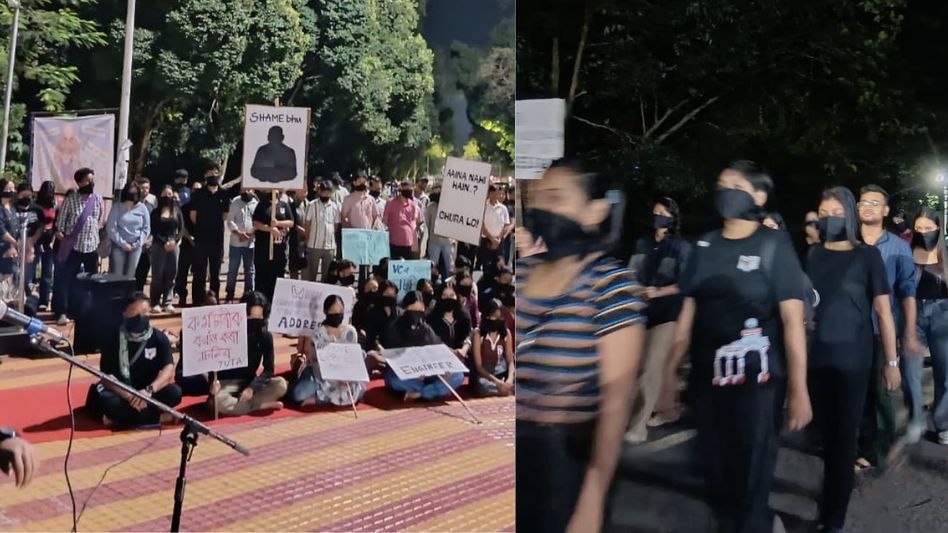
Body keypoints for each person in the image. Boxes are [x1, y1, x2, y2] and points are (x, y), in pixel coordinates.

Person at [657, 160, 811, 533]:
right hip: (708, 386)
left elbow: (793, 323)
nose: (725, 190)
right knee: (715, 474)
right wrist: (666, 377)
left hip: (758, 390)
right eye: (721, 183)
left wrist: (799, 389)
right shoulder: (702, 247)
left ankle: (757, 523)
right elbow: (686, 320)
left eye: (736, 185)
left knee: (751, 479)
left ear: (758, 196)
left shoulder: (774, 246)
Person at [516, 159, 645, 533]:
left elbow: (617, 401)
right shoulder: (522, 272)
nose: (542, 210)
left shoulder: (612, 286)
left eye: (555, 198)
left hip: (565, 465)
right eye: (536, 199)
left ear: (595, 212)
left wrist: (592, 499)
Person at [808, 187, 899, 532]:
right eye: (822, 211)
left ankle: (833, 518)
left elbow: (884, 312)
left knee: (843, 441)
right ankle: (832, 492)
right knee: (824, 437)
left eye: (835, 212)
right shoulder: (813, 255)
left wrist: (891, 363)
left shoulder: (867, 257)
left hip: (853, 362)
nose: (827, 217)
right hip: (817, 359)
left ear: (847, 216)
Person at [856, 184, 920, 468]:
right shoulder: (846, 242)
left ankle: (880, 452)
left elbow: (907, 292)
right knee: (855, 393)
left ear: (885, 210)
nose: (867, 206)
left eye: (874, 202)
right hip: (849, 331)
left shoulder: (897, 247)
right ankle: (857, 446)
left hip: (882, 330)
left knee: (884, 392)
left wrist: (908, 333)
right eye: (862, 202)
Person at [624, 196, 692, 444]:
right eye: (655, 211)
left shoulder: (681, 247)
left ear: (673, 217)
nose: (658, 217)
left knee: (652, 369)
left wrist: (659, 292)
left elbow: (686, 283)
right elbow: (631, 273)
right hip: (640, 312)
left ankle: (639, 425)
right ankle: (634, 416)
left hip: (666, 315)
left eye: (663, 212)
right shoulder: (643, 243)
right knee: (634, 369)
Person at [86, 292, 182, 428]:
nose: (140, 318)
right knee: (107, 401)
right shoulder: (113, 338)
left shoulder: (158, 338)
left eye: (144, 313)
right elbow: (107, 377)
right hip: (122, 392)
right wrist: (130, 396)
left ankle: (124, 419)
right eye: (136, 313)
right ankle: (159, 417)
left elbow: (168, 368)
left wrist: (149, 391)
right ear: (125, 313)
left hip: (148, 392)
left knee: (175, 392)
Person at [908, 208, 948, 445]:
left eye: (928, 228)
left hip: (943, 314)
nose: (923, 233)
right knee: (910, 373)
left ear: (938, 229)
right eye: (919, 228)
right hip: (913, 314)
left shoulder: (945, 256)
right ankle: (916, 419)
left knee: (944, 374)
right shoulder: (906, 253)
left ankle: (943, 424)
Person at [379, 290, 464, 401]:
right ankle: (434, 391)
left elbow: (438, 348)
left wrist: (446, 368)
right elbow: (393, 357)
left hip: (428, 373)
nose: (417, 314)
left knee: (458, 376)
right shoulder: (394, 327)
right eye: (413, 310)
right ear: (405, 309)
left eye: (420, 310)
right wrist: (414, 370)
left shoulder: (426, 329)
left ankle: (420, 394)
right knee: (394, 380)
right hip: (408, 375)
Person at [212, 292, 288, 415]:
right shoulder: (229, 330)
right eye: (251, 317)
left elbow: (269, 369)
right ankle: (259, 405)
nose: (255, 322)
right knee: (216, 401)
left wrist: (251, 388)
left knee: (281, 385)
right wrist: (213, 381)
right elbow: (213, 360)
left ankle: (240, 405)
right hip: (227, 382)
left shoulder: (265, 335)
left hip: (249, 381)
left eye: (259, 317)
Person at [290, 295, 372, 406]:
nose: (338, 315)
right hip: (321, 375)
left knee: (359, 391)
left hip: (345, 377)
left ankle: (321, 400)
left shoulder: (350, 332)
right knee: (299, 395)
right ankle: (321, 394)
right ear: (326, 312)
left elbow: (353, 359)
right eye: (334, 312)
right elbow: (316, 363)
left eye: (340, 311)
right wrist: (333, 376)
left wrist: (347, 376)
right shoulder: (318, 333)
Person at [53, 168, 102, 325]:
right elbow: (60, 222)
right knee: (65, 281)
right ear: (79, 182)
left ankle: (88, 311)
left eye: (92, 180)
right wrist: (61, 233)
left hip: (91, 247)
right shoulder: (70, 200)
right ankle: (61, 312)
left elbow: (98, 221)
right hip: (72, 248)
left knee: (92, 282)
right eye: (88, 180)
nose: (91, 183)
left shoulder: (97, 199)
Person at [189, 170, 229, 304]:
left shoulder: (224, 194)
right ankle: (197, 300)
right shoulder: (198, 194)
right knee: (199, 272)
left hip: (217, 239)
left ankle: (214, 299)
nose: (213, 177)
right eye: (210, 174)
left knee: (215, 272)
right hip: (201, 238)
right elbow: (193, 216)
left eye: (216, 174)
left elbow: (225, 215)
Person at [251, 191, 294, 302]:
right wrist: (270, 229)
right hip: (263, 249)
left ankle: (275, 301)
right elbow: (255, 223)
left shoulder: (284, 205)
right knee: (262, 276)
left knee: (278, 275)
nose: (275, 192)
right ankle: (260, 301)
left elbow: (291, 222)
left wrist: (278, 223)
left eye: (277, 191)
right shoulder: (262, 205)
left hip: (279, 249)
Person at [149, 186, 184, 313]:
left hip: (174, 245)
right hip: (159, 245)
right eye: (165, 194)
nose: (167, 197)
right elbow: (153, 230)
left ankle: (167, 302)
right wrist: (164, 242)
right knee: (157, 275)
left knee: (171, 274)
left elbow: (181, 229)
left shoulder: (177, 211)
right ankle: (154, 302)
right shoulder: (155, 213)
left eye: (170, 194)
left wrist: (174, 241)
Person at [472, 298, 514, 397]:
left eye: (500, 318)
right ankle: (503, 389)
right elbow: (478, 365)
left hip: (501, 370)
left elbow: (510, 360)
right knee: (482, 386)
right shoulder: (478, 333)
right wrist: (497, 382)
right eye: (494, 317)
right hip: (485, 373)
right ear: (487, 316)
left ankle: (505, 388)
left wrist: (510, 379)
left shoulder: (506, 333)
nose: (497, 320)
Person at [106, 182, 150, 277]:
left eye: (136, 193)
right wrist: (123, 244)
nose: (133, 195)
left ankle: (127, 292)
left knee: (130, 275)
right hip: (118, 245)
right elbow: (111, 227)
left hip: (136, 246)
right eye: (131, 192)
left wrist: (138, 243)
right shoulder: (117, 207)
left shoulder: (142, 208)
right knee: (117, 274)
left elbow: (146, 228)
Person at [303, 181, 340, 282]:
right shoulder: (312, 205)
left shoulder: (335, 207)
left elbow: (336, 225)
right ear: (319, 191)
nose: (326, 194)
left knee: (327, 276)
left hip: (329, 246)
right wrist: (307, 239)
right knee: (311, 275)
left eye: (328, 192)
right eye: (324, 192)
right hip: (314, 244)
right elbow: (307, 224)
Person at [225, 189, 258, 302]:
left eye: (249, 189)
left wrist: (251, 234)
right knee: (233, 269)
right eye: (244, 189)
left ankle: (248, 295)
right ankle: (229, 294)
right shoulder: (235, 202)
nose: (246, 191)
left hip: (250, 243)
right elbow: (230, 221)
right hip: (236, 242)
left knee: (250, 270)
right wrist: (239, 233)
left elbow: (257, 222)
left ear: (253, 191)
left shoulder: (256, 204)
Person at [428, 283, 473, 365]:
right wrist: (448, 351)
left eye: (452, 295)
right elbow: (432, 339)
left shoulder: (464, 316)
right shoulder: (432, 318)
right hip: (438, 360)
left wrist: (463, 349)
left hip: (461, 359)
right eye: (444, 296)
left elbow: (468, 335)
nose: (448, 298)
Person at [34, 180, 57, 310]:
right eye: (47, 190)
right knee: (31, 272)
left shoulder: (55, 205)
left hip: (50, 240)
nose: (50, 193)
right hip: (36, 239)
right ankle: (31, 299)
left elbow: (57, 223)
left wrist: (53, 240)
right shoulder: (36, 205)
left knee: (47, 273)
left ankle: (44, 301)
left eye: (51, 191)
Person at [383, 181, 420, 259]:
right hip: (394, 242)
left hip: (408, 243)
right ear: (401, 189)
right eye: (407, 189)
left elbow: (412, 223)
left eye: (411, 189)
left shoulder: (412, 205)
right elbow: (385, 221)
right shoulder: (391, 203)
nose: (409, 191)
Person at [480, 184, 513, 271]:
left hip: (499, 241)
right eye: (492, 193)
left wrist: (499, 238)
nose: (494, 196)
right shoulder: (483, 207)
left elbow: (506, 225)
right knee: (486, 265)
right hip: (486, 240)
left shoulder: (503, 208)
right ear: (489, 194)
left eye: (496, 193)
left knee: (499, 266)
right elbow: (481, 225)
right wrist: (491, 239)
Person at [425, 184, 455, 278]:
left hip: (448, 241)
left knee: (450, 266)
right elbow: (427, 224)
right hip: (434, 241)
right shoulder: (430, 207)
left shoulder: (451, 206)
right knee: (432, 266)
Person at [364, 280, 400, 351]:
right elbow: (371, 336)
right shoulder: (373, 312)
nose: (390, 298)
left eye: (393, 295)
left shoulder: (399, 313)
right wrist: (380, 348)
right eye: (387, 295)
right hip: (377, 351)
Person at [0, 180, 19, 301]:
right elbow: (1, 229)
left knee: (11, 280)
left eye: (14, 189)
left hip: (13, 251)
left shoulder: (12, 208)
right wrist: (13, 242)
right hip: (3, 249)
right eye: (9, 189)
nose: (13, 192)